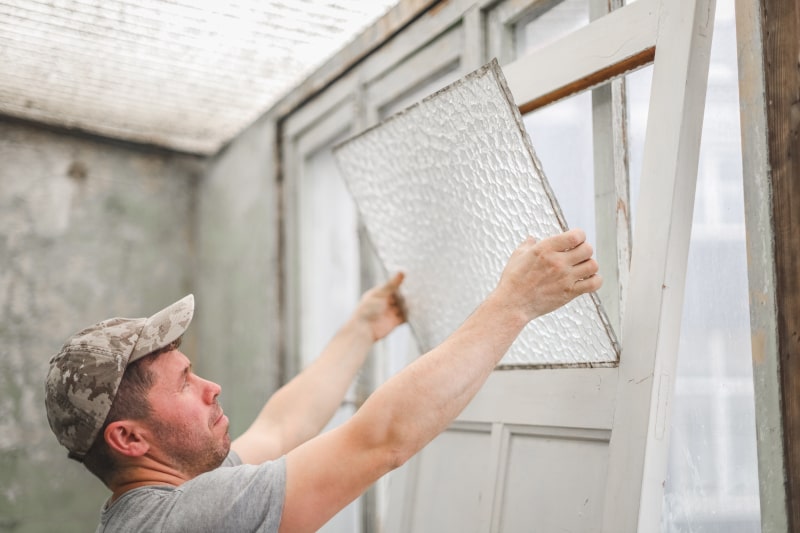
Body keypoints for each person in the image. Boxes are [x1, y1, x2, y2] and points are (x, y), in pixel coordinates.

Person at [45, 228, 601, 533]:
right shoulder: (189, 520)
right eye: (185, 383)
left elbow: (284, 425)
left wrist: (360, 330)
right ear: (130, 439)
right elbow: (380, 440)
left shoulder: (171, 498)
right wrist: (514, 305)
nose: (211, 387)